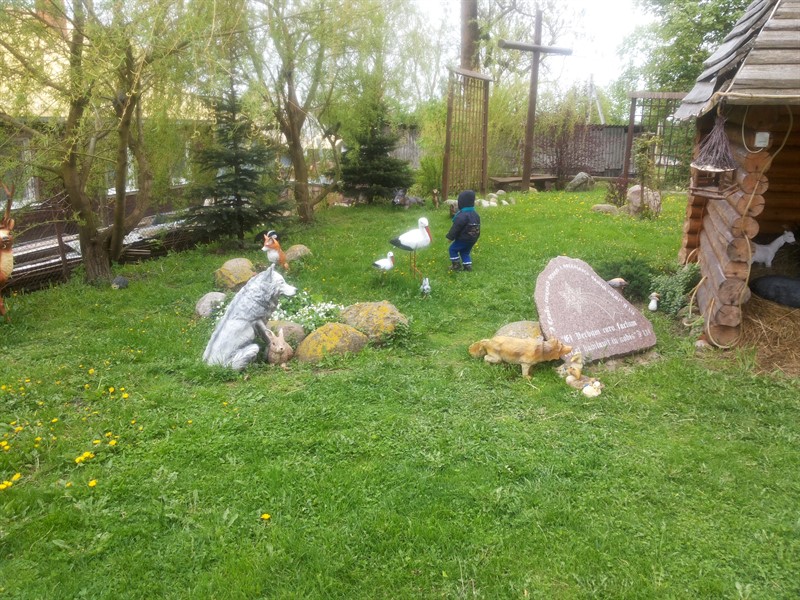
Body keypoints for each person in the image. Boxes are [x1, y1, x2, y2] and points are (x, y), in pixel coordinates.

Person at [446, 190, 481, 271]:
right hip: (473, 238)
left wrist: (450, 237)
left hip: (463, 238)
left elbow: (456, 227)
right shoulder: (475, 214)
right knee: (465, 252)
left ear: (461, 202)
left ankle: (456, 265)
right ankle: (467, 266)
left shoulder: (462, 215)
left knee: (452, 249)